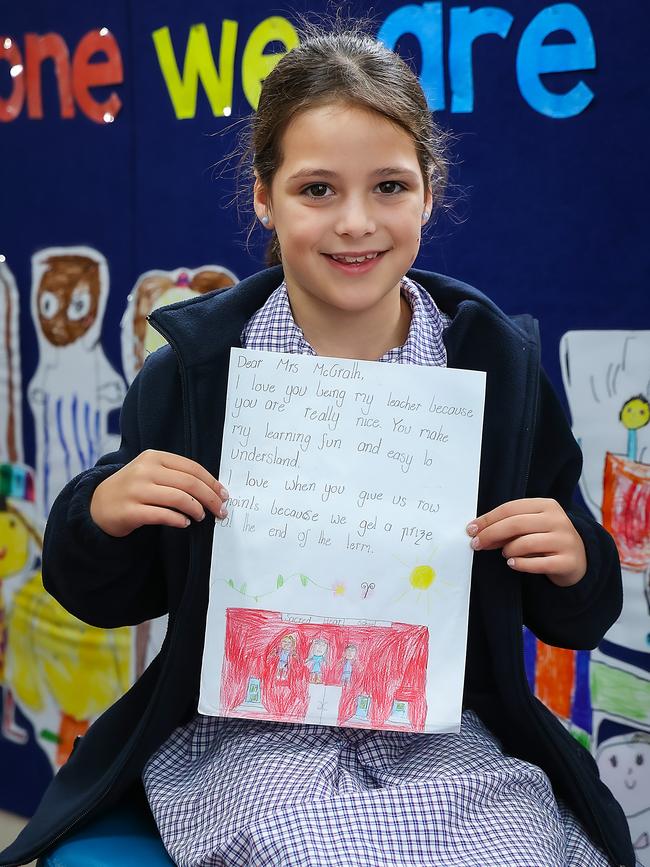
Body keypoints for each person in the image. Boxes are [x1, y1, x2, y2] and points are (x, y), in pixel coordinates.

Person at [1, 21, 635, 867]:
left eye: (388, 186)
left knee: (526, 846)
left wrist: (574, 556)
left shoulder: (497, 371)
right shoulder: (195, 374)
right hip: (246, 735)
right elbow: (106, 592)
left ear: (429, 193)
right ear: (263, 197)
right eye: (317, 190)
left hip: (444, 736)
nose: (356, 223)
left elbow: (579, 612)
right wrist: (101, 510)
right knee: (312, 848)